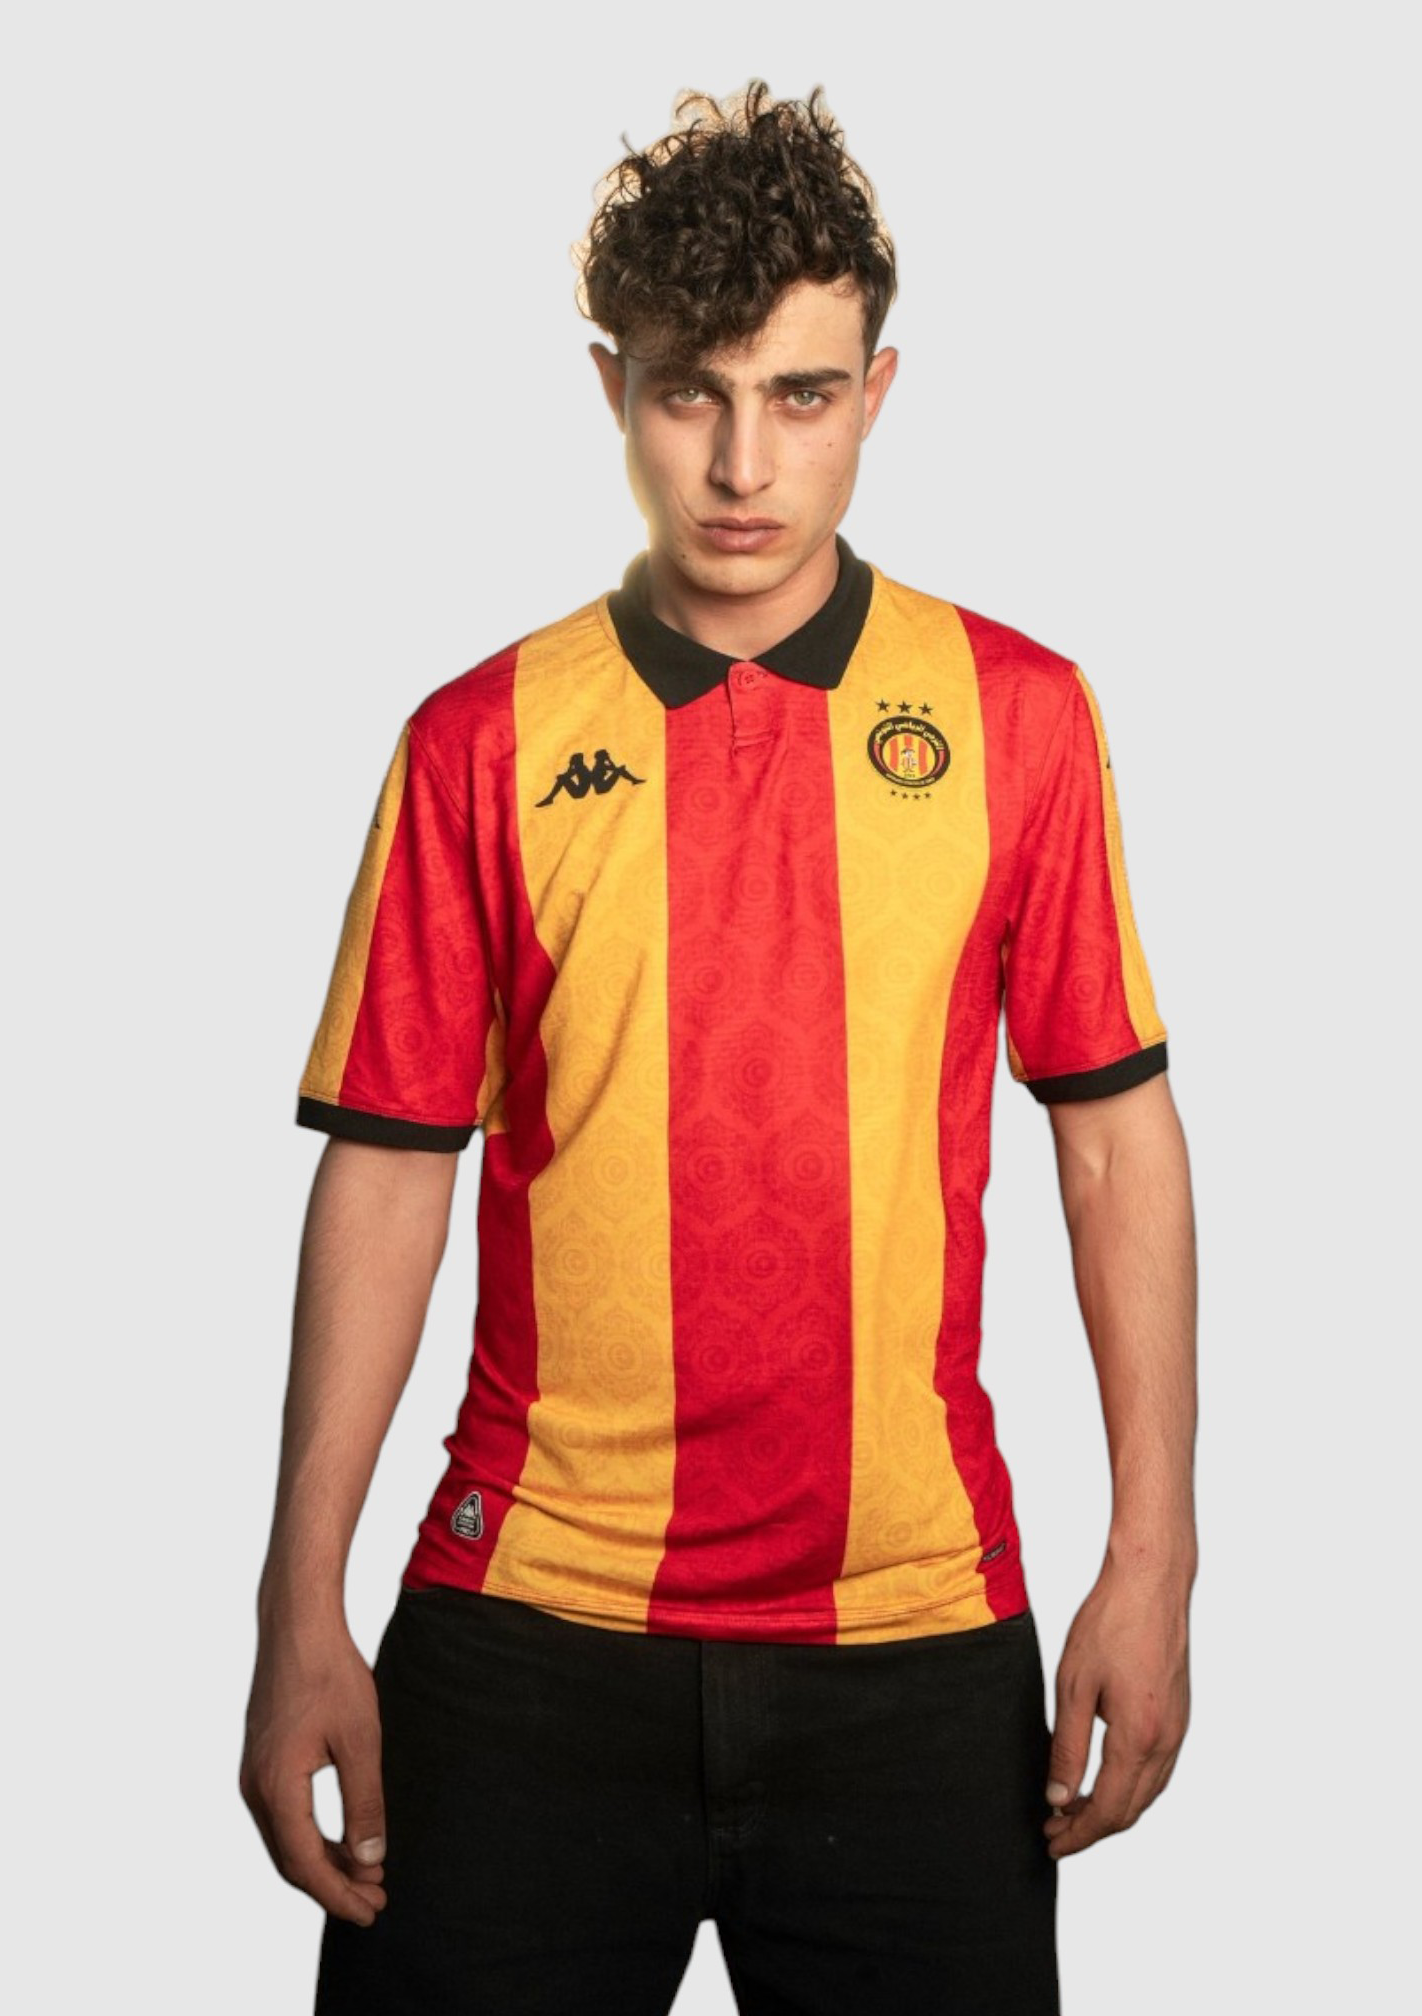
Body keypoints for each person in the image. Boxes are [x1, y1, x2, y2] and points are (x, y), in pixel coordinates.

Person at [241, 79, 1198, 2016]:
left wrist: (1155, 1559)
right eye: (692, 393)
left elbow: (1115, 1142)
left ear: (879, 394)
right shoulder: (479, 742)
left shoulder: (1018, 715)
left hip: (916, 1642)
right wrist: (297, 1602)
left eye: (802, 394)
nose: (745, 464)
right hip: (525, 1632)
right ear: (613, 389)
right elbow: (390, 1172)